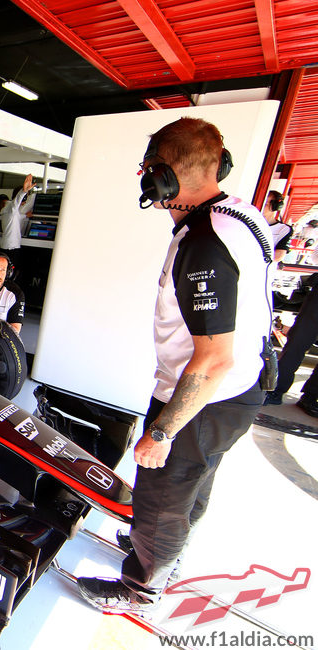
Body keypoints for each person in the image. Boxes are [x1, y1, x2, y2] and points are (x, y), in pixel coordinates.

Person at [77, 117, 271, 614]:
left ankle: (141, 586)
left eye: (147, 170)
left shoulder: (205, 243)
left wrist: (161, 433)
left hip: (204, 396)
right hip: (238, 391)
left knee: (160, 495)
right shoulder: (242, 215)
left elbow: (211, 359)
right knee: (191, 483)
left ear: (161, 179)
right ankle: (165, 552)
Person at [0, 175, 34, 274]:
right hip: (11, 247)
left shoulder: (9, 211)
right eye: (25, 197)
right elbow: (16, 202)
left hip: (9, 245)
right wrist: (23, 191)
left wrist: (26, 215)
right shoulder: (11, 206)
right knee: (10, 272)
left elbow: (17, 217)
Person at [262, 190, 290, 264]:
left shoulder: (284, 229)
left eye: (265, 204)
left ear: (275, 207)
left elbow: (278, 256)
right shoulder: (248, 219)